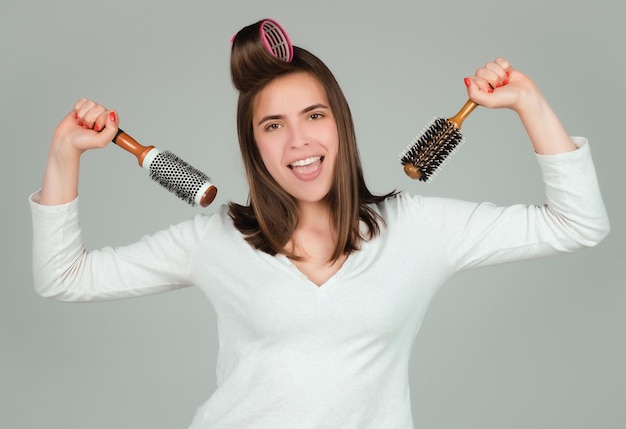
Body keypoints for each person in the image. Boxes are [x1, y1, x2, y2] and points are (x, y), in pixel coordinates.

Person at [30, 18, 610, 429]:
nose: (299, 141)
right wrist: (66, 152)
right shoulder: (215, 242)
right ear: (253, 145)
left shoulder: (418, 231)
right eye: (273, 125)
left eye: (313, 115)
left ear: (341, 125)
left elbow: (578, 224)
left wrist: (529, 102)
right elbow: (64, 277)